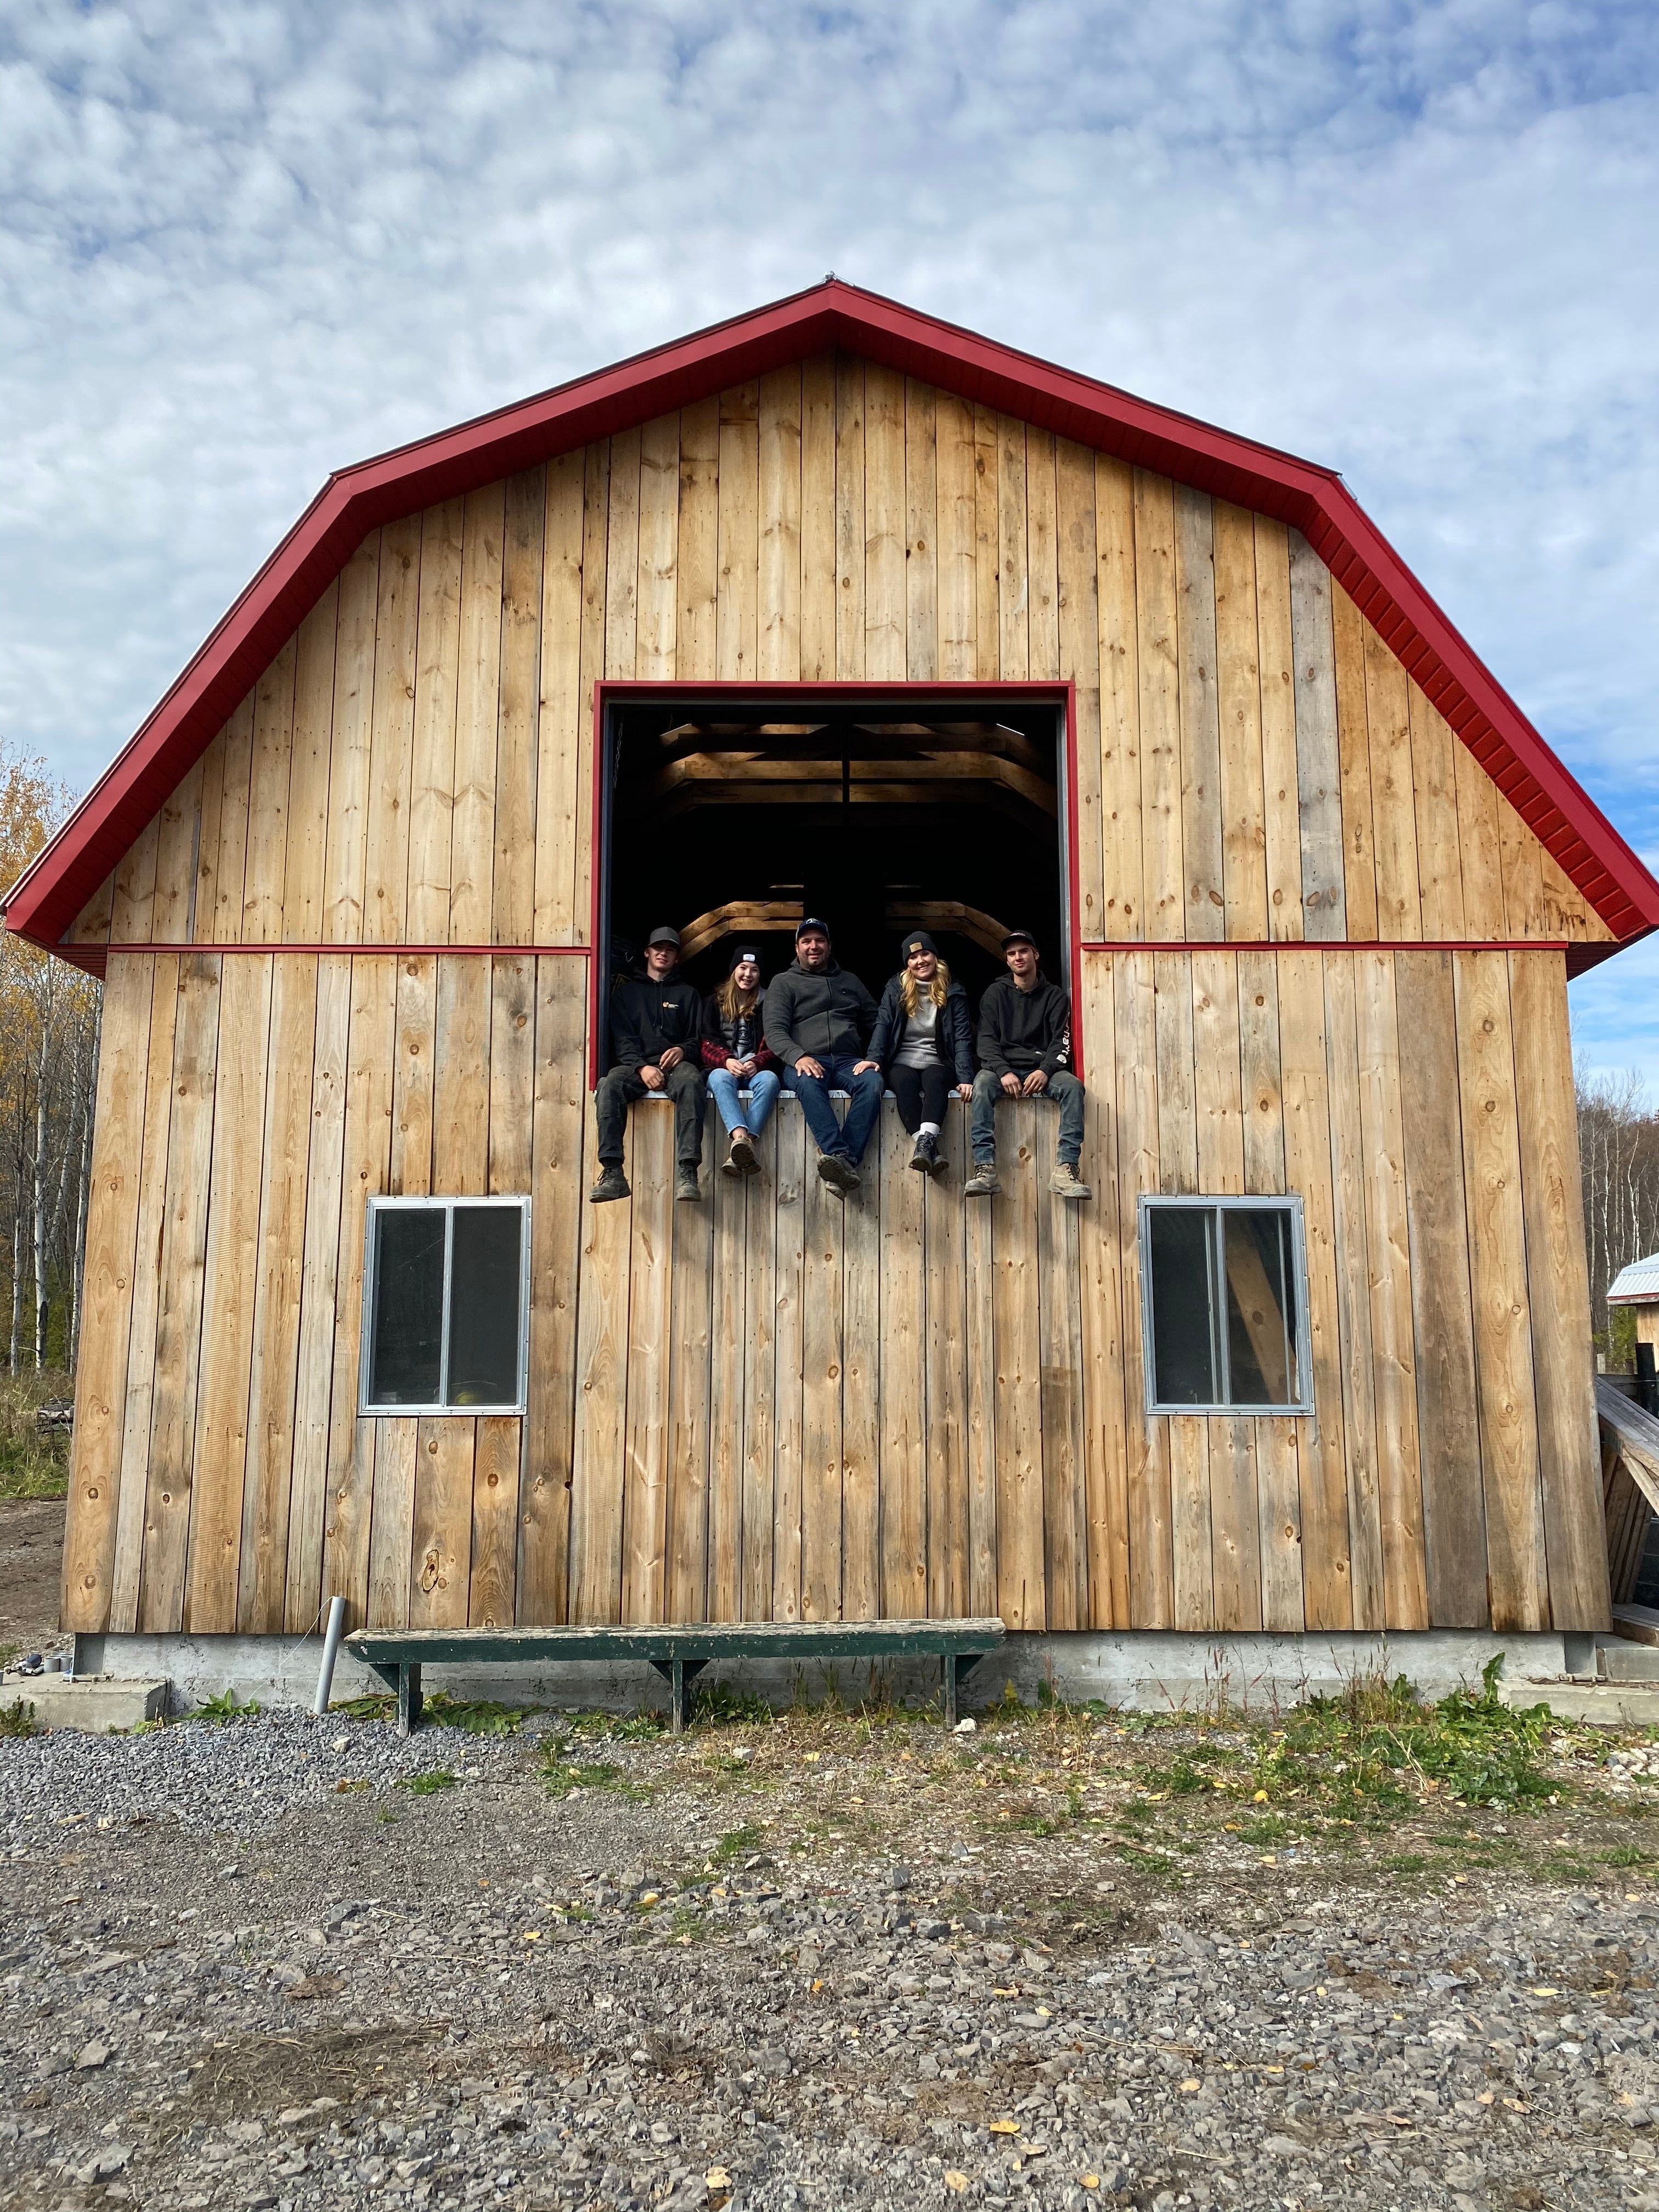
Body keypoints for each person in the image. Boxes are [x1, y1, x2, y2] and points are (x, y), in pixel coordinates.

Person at [964, 929, 1091, 1200]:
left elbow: (1061, 1043)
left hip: (1041, 1069)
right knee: (982, 1083)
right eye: (1012, 954)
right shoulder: (995, 994)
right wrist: (1004, 1071)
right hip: (1003, 1070)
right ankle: (985, 1169)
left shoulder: (1055, 996)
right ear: (1007, 961)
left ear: (1035, 954)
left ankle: (1066, 1170)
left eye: (1023, 951)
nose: (1018, 957)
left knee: (1073, 1087)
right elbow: (986, 1043)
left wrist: (1045, 1070)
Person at [763, 917, 882, 1195]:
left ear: (829, 946)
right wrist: (798, 1056)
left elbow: (878, 1021)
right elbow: (775, 1031)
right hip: (804, 1058)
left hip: (847, 1060)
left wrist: (874, 1055)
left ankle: (843, 1162)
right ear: (797, 948)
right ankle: (839, 1154)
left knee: (873, 1082)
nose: (813, 946)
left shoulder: (850, 981)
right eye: (807, 941)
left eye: (819, 941)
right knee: (808, 1083)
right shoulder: (783, 982)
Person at [590, 927, 706, 1204]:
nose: (663, 953)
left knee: (692, 1081)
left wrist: (682, 1050)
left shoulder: (688, 994)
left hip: (677, 1066)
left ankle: (688, 1173)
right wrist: (642, 1067)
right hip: (636, 1067)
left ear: (677, 957)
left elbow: (698, 1040)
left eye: (670, 950)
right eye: (658, 948)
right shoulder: (626, 994)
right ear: (647, 952)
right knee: (608, 1084)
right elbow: (622, 1039)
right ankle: (613, 1173)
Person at [866, 930, 974, 1177]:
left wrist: (966, 1077)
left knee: (936, 1081)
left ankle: (924, 1146)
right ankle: (928, 1147)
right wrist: (873, 1058)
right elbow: (882, 1024)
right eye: (913, 957)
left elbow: (962, 1036)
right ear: (908, 964)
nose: (920, 961)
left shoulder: (953, 989)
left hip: (938, 1060)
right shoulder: (896, 988)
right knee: (904, 1083)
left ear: (935, 957)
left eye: (925, 953)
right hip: (902, 1059)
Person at [700, 945, 781, 1178]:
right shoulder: (714, 1002)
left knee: (770, 1079)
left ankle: (741, 1147)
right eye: (743, 968)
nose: (748, 974)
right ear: (733, 970)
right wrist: (726, 1061)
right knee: (719, 1077)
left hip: (754, 1070)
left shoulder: (770, 1003)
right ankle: (742, 1140)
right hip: (725, 1069)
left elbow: (777, 1043)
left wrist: (758, 1062)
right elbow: (704, 1043)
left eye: (754, 970)